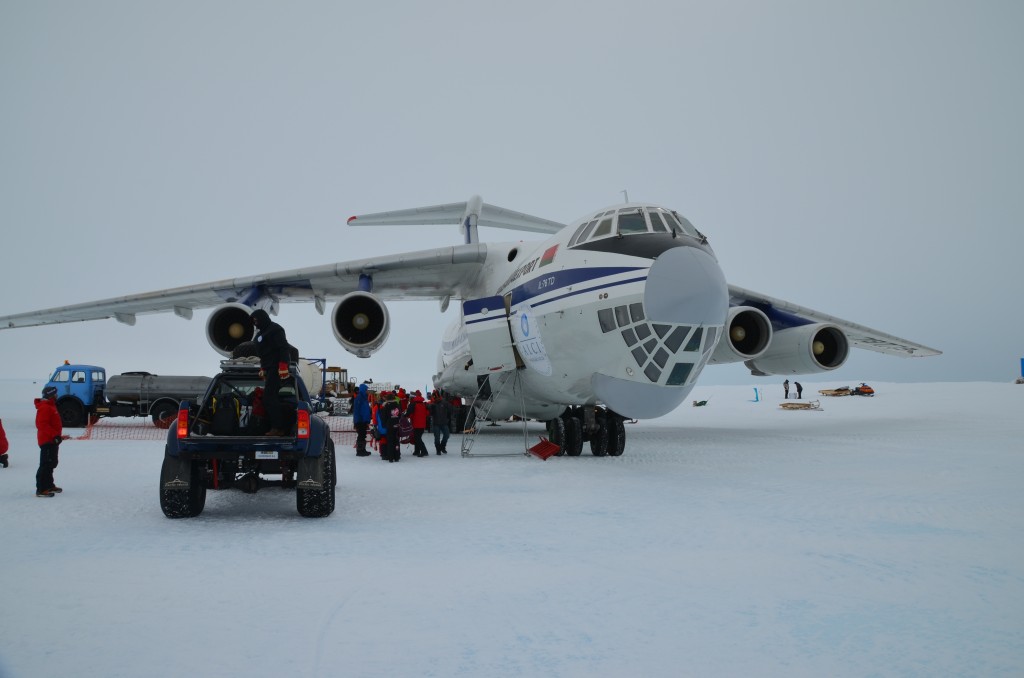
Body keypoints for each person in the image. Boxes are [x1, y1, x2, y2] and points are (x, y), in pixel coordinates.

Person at [249, 309, 292, 436]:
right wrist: (263, 368)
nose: (255, 323)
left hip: (276, 367)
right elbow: (263, 355)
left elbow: (283, 347)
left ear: (262, 318)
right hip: (269, 367)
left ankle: (278, 428)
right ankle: (274, 426)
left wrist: (283, 365)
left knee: (269, 397)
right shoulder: (260, 335)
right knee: (268, 398)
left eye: (256, 320)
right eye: (253, 321)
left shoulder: (275, 329)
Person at [35, 386, 69, 497]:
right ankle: (41, 489)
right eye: (55, 393)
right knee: (45, 464)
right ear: (51, 395)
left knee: (52, 463)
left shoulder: (51, 406)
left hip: (53, 439)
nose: (57, 395)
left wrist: (58, 436)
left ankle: (49, 485)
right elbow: (42, 425)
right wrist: (54, 435)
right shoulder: (45, 407)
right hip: (47, 440)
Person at [377, 391, 403, 463]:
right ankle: (397, 456)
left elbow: (383, 417)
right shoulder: (397, 405)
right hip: (397, 425)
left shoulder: (386, 406)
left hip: (389, 425)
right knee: (396, 441)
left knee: (390, 442)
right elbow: (400, 415)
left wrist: (384, 424)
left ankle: (391, 457)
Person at [351, 383, 372, 456]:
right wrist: (359, 420)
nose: (367, 391)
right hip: (360, 420)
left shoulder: (363, 398)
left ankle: (362, 449)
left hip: (362, 420)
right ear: (363, 390)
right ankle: (360, 451)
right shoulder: (360, 398)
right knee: (361, 435)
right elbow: (358, 411)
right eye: (366, 390)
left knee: (363, 435)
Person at [407, 391, 429, 457]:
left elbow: (409, 413)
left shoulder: (413, 404)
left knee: (417, 438)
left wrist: (405, 416)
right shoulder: (423, 404)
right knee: (418, 437)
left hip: (416, 423)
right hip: (422, 424)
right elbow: (427, 413)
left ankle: (424, 451)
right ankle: (417, 451)